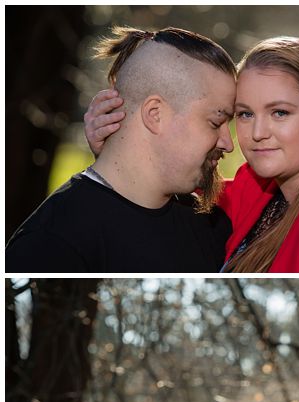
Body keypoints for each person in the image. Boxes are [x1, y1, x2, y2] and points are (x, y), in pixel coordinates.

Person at [85, 36, 299, 273]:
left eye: (279, 113)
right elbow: (168, 201)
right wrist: (123, 154)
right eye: (245, 114)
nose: (257, 133)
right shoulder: (252, 189)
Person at [5, 27, 236, 272]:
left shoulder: (209, 225)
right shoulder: (51, 245)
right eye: (215, 122)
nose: (228, 143)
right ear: (155, 115)